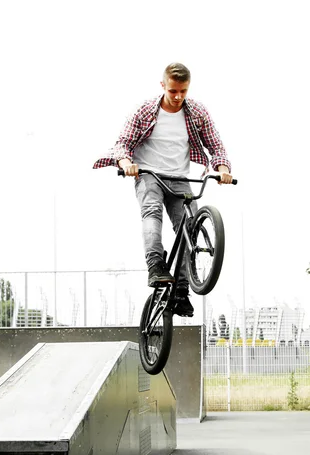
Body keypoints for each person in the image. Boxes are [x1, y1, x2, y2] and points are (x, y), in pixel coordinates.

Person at [93, 62, 233, 317]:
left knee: (189, 225)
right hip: (149, 174)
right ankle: (156, 266)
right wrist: (126, 164)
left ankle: (181, 290)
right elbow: (122, 143)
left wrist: (222, 168)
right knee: (152, 212)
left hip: (179, 177)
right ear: (163, 86)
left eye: (183, 92)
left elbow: (216, 145)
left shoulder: (197, 112)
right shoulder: (146, 110)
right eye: (173, 91)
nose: (178, 97)